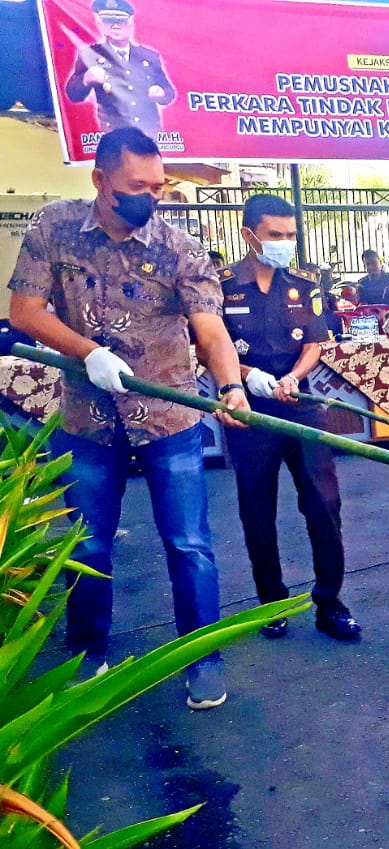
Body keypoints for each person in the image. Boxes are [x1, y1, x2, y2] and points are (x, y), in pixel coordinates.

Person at [8, 127, 249, 709]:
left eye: (158, 185)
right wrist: (87, 352)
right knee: (86, 545)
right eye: (136, 186)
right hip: (88, 419)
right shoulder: (54, 228)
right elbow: (23, 312)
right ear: (100, 182)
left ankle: (201, 657)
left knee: (189, 542)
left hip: (169, 414)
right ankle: (90, 651)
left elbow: (209, 328)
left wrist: (232, 386)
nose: (152, 196)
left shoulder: (179, 248)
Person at [217, 193, 361, 642]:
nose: (284, 243)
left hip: (299, 403)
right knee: (257, 509)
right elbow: (209, 345)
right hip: (248, 410)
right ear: (249, 235)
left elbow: (315, 342)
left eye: (290, 235)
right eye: (274, 235)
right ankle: (272, 603)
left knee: (324, 504)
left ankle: (330, 602)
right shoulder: (221, 285)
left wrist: (294, 377)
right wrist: (249, 377)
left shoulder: (305, 282)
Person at [64, 0, 175, 138]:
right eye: (109, 20)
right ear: (100, 24)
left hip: (148, 133)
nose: (115, 25)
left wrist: (161, 93)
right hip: (113, 135)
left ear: (130, 24)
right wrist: (86, 79)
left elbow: (169, 91)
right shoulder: (90, 55)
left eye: (120, 20)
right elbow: (73, 95)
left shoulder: (149, 56)